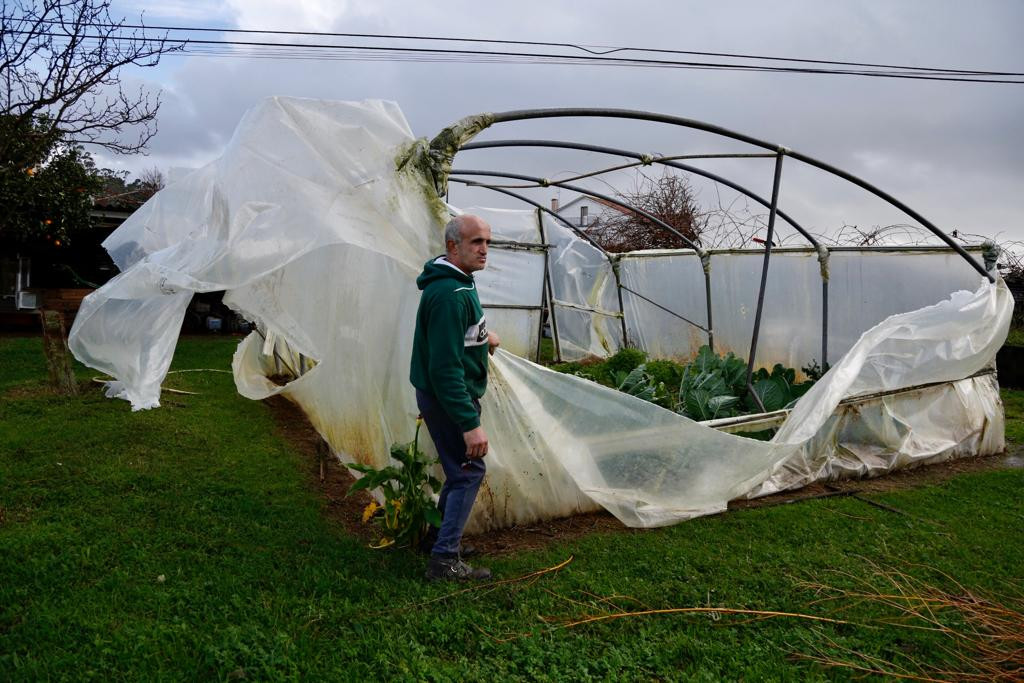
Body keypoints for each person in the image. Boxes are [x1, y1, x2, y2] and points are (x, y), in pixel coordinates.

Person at [410, 214, 500, 581]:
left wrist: (484, 337)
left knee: (457, 471)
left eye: (487, 242)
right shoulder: (449, 295)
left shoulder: (457, 282)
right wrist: (469, 424)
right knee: (468, 471)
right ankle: (444, 560)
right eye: (476, 242)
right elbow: (445, 370)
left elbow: (455, 340)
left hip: (442, 394)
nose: (484, 250)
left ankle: (436, 540)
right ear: (453, 246)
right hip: (448, 397)